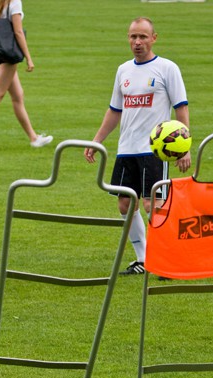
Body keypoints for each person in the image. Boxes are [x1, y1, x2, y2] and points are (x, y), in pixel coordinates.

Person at [84, 17, 191, 275]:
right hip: (126, 148)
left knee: (152, 204)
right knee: (124, 204)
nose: (137, 42)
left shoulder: (167, 68)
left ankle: (165, 261)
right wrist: (96, 141)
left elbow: (181, 108)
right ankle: (144, 259)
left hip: (154, 150)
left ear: (154, 38)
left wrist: (184, 147)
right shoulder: (123, 71)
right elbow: (114, 111)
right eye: (133, 37)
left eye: (143, 37)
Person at [0, 0, 53, 150]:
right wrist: (28, 57)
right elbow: (18, 32)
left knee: (18, 96)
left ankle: (34, 138)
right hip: (9, 54)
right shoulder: (14, 3)